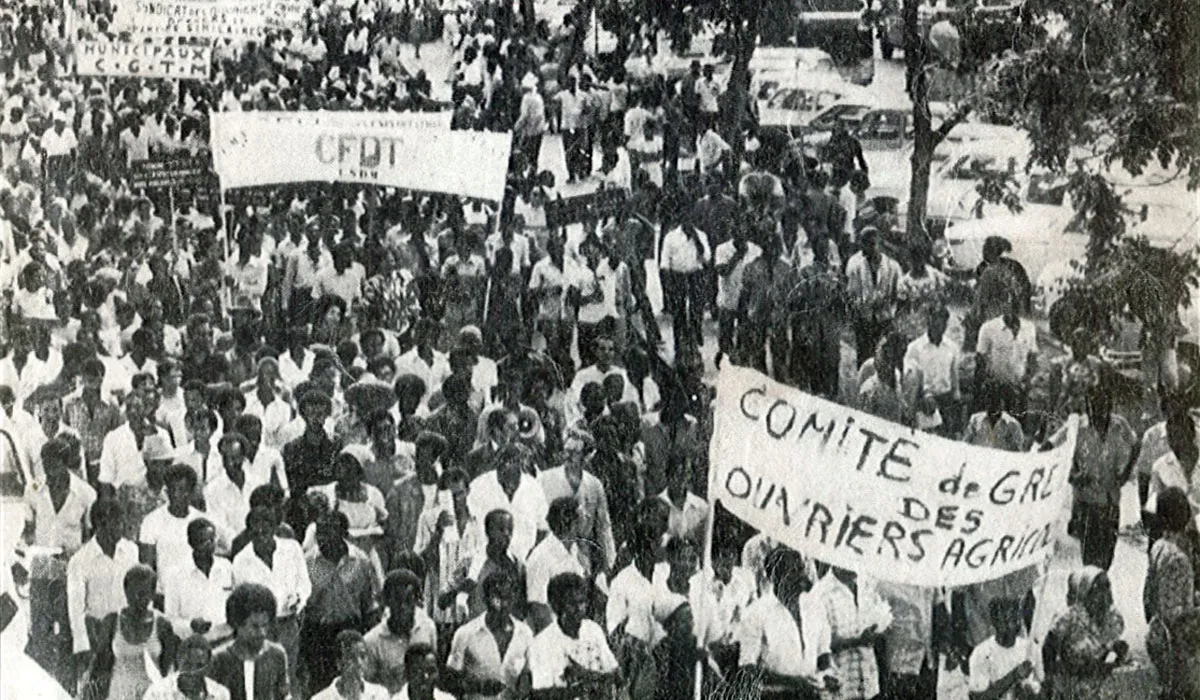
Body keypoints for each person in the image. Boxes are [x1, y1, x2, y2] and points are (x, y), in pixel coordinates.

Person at [231, 505, 310, 694]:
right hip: (260, 629)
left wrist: (298, 599)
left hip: (289, 623)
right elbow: (240, 600)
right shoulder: (241, 561)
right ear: (248, 533)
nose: (261, 537)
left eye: (265, 531)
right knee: (263, 677)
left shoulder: (292, 549)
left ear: (274, 529)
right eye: (255, 533)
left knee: (288, 676)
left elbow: (304, 583)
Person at [737, 548, 834, 699]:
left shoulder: (815, 607)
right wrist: (793, 682)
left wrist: (828, 674)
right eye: (793, 571)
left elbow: (823, 653)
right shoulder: (756, 612)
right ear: (775, 577)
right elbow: (748, 668)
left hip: (811, 695)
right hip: (776, 696)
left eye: (801, 569)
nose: (802, 576)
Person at [303, 511, 380, 694]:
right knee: (320, 689)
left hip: (350, 630)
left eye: (329, 531)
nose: (322, 537)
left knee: (351, 686)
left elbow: (369, 605)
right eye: (320, 531)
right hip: (318, 635)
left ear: (343, 533)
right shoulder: (307, 563)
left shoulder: (361, 561)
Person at [67, 499, 138, 694]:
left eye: (122, 521)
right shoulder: (80, 560)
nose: (122, 527)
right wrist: (83, 646)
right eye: (117, 522)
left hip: (126, 633)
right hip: (97, 636)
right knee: (96, 690)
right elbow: (75, 608)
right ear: (100, 524)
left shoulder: (131, 551)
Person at [1069, 386, 1138, 570]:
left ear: (1109, 406)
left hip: (1111, 502)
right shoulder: (1079, 428)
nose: (1097, 410)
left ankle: (1101, 584)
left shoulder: (1119, 425)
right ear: (1087, 406)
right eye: (1093, 405)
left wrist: (1126, 473)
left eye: (1102, 405)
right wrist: (1074, 476)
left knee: (1107, 556)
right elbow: (1060, 451)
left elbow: (1135, 444)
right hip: (1087, 502)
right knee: (1089, 557)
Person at [1144, 487, 1200, 700]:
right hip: (1178, 644)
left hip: (1160, 634)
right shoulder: (1179, 559)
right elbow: (1176, 614)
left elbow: (1155, 593)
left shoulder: (1159, 546)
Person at [526, 572, 619, 699]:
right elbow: (542, 694)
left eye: (582, 602)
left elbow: (614, 674)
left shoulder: (593, 630)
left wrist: (586, 675)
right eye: (571, 604)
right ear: (557, 606)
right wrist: (585, 685)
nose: (579, 609)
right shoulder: (541, 644)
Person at [444, 571, 533, 700]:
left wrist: (522, 690)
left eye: (508, 597)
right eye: (497, 597)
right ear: (485, 599)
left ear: (514, 598)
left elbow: (529, 677)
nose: (503, 604)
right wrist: (478, 687)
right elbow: (450, 682)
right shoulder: (465, 634)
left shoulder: (525, 634)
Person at [1043, 567, 1127, 700]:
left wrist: (1117, 650)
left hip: (1098, 681)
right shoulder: (1069, 617)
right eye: (1098, 588)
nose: (1104, 593)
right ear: (1086, 591)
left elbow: (1108, 648)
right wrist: (1050, 678)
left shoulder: (1114, 618)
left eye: (1107, 586)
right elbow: (1049, 647)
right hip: (1070, 683)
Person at [104, 565, 177, 700]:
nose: (137, 598)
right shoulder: (112, 621)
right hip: (119, 695)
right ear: (125, 591)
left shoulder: (162, 625)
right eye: (133, 592)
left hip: (152, 695)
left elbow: (167, 671)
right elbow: (101, 666)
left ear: (153, 593)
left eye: (143, 593)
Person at [363, 568, 438, 695]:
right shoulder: (372, 641)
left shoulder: (428, 628)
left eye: (408, 600)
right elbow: (367, 689)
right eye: (397, 600)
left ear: (417, 600)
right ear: (387, 601)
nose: (403, 607)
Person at [210, 583, 290, 700]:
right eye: (255, 626)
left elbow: (283, 695)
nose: (262, 633)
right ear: (237, 624)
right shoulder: (218, 660)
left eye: (265, 625)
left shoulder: (277, 655)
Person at [160, 518, 234, 644]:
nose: (208, 546)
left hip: (225, 641)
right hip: (193, 645)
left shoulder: (226, 567)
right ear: (191, 542)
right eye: (201, 541)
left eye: (211, 540)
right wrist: (191, 625)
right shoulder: (175, 575)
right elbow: (170, 619)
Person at [845, 227, 902, 366]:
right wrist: (864, 305)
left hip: (885, 321)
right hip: (864, 322)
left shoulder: (892, 266)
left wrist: (889, 308)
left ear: (879, 244)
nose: (867, 248)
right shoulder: (856, 267)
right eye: (864, 244)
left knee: (885, 360)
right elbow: (851, 295)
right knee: (865, 362)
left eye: (871, 244)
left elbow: (899, 295)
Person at [903, 304, 962, 436]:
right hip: (924, 403)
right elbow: (910, 379)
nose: (938, 326)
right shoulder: (915, 348)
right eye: (935, 321)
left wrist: (956, 402)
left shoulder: (952, 348)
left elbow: (954, 379)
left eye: (942, 322)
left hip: (946, 401)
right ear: (928, 321)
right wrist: (923, 397)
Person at [967, 598, 1041, 700]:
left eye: (1015, 619)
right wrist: (1014, 676)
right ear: (994, 622)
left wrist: (1030, 692)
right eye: (1006, 620)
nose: (1012, 625)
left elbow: (1042, 688)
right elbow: (978, 697)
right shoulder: (981, 653)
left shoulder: (1030, 649)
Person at [143, 634, 232, 700]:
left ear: (208, 667)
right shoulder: (157, 693)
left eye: (199, 666)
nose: (192, 672)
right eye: (188, 665)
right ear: (178, 661)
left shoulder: (220, 694)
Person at [311, 630, 390, 700]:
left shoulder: (380, 695)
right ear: (339, 663)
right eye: (351, 657)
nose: (359, 663)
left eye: (362, 656)